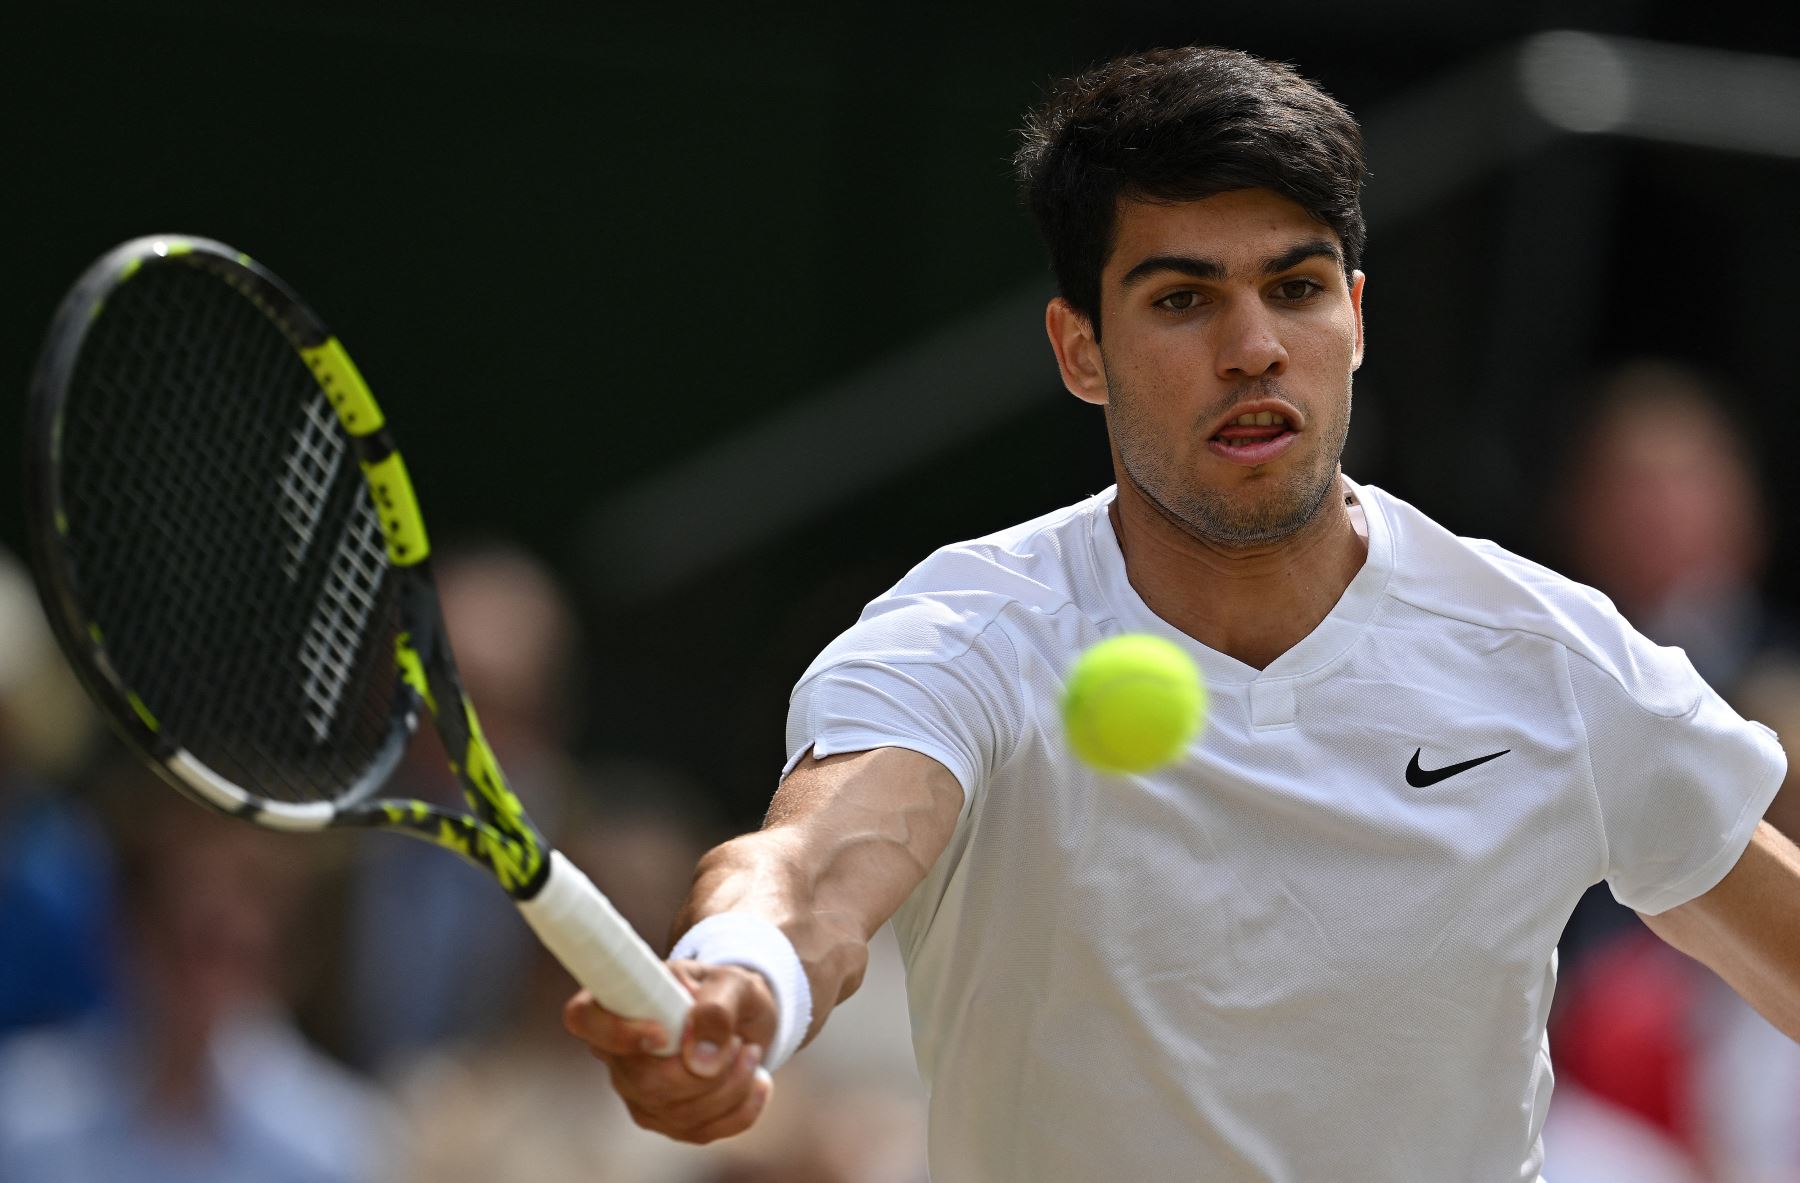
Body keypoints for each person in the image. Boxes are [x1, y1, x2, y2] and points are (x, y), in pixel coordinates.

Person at [563, 47, 1800, 1181]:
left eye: (1297, 287)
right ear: (1079, 349)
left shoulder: (1547, 657)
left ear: (1354, 318)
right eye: (1181, 299)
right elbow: (816, 866)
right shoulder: (965, 640)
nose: (1255, 346)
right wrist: (749, 974)